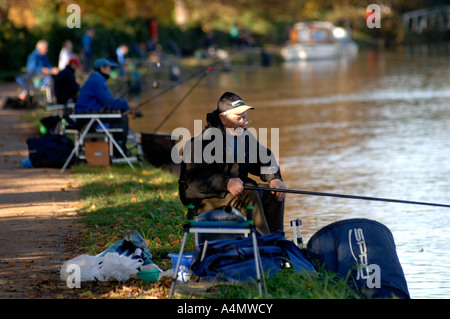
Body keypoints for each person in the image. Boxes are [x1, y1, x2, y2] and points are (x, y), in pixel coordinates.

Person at [178, 92, 286, 235]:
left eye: (245, 118)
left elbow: (264, 157)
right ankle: (263, 245)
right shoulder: (200, 143)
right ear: (223, 118)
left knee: (274, 193)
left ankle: (277, 242)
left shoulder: (244, 136)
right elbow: (196, 179)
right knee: (249, 191)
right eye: (238, 118)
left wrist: (275, 178)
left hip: (237, 192)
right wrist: (226, 183)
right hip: (206, 197)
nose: (243, 122)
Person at [75, 58, 139, 155]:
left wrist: (126, 109)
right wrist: (128, 104)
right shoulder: (97, 80)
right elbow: (109, 102)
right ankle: (120, 150)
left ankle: (115, 149)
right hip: (87, 116)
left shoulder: (95, 78)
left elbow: (106, 103)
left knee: (120, 114)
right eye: (109, 68)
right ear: (102, 68)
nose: (110, 71)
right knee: (122, 118)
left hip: (87, 113)